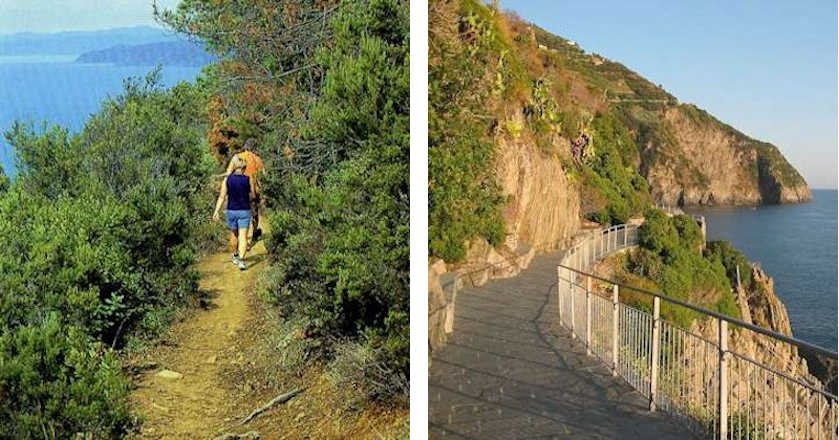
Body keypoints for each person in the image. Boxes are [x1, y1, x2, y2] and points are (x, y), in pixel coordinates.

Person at [213, 155, 255, 270]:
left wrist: (216, 211)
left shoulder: (227, 179)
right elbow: (252, 195)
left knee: (234, 235)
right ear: (244, 168)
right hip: (244, 211)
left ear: (234, 167)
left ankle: (235, 255)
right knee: (243, 236)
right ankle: (241, 261)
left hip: (231, 211)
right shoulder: (248, 179)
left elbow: (221, 197)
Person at [226, 138, 265, 243]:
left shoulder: (237, 157)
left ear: (245, 146)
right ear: (254, 147)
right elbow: (264, 177)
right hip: (253, 192)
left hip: (238, 189)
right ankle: (254, 233)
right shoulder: (258, 160)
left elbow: (228, 172)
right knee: (254, 213)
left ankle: (240, 237)